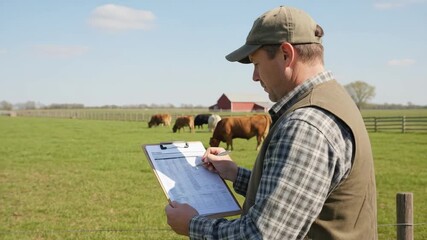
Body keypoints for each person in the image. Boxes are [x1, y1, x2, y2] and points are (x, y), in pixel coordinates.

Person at [165, 6, 377, 240]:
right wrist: (235, 174)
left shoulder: (306, 124)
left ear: (286, 54)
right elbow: (298, 197)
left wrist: (192, 225)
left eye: (256, 64)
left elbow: (261, 235)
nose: (255, 77)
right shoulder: (332, 99)